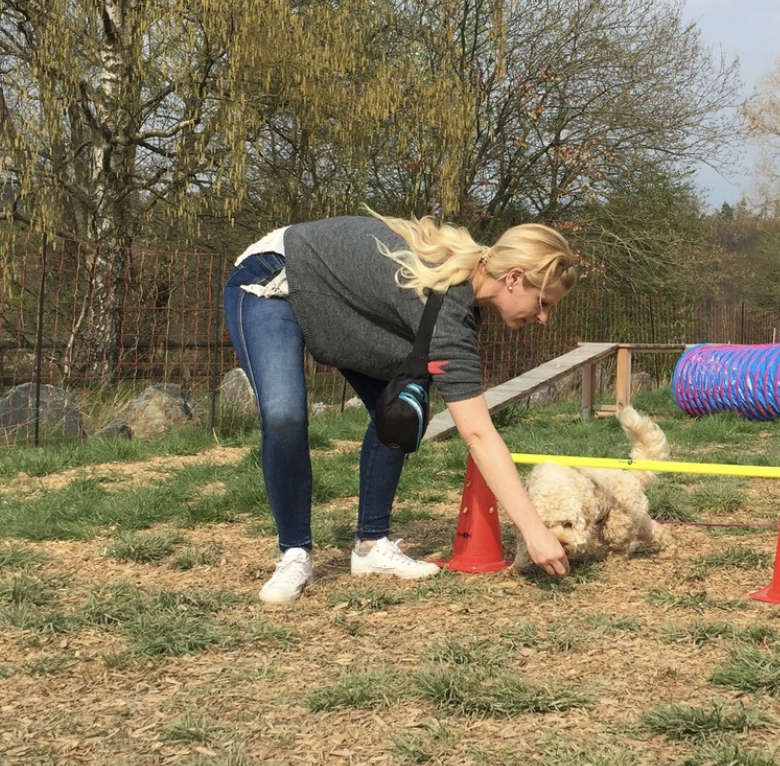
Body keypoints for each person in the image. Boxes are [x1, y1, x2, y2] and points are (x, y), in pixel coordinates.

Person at [222, 211, 578, 603]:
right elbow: (478, 434)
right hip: (275, 276)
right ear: (513, 278)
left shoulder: (456, 304)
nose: (544, 318)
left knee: (403, 411)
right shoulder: (441, 297)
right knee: (285, 415)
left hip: (338, 307)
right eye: (543, 302)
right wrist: (534, 530)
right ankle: (294, 553)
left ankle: (371, 546)